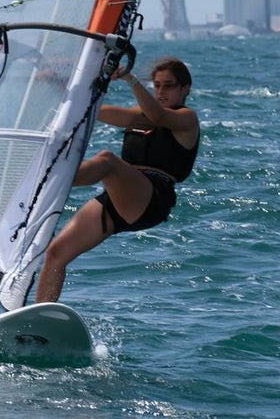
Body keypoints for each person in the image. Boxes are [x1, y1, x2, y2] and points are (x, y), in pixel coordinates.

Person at [35, 57, 200, 303]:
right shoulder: (138, 116)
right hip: (120, 197)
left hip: (152, 196)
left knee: (108, 161)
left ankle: (44, 181)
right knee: (56, 253)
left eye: (169, 85)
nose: (161, 91)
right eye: (157, 85)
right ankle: (41, 318)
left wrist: (129, 78)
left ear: (185, 89)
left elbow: (158, 116)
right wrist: (56, 81)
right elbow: (91, 108)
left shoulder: (187, 118)